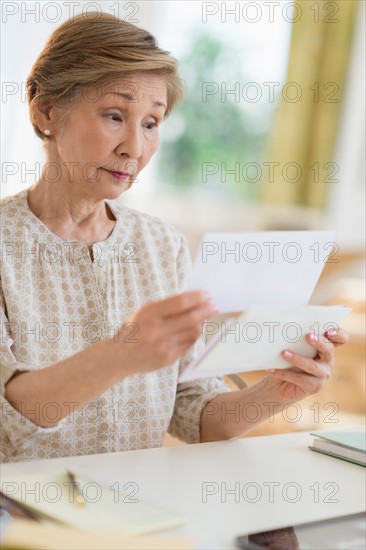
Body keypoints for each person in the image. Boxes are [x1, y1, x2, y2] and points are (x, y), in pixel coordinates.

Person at [0, 12, 348, 463]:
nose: (134, 148)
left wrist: (276, 391)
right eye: (113, 115)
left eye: (151, 123)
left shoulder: (162, 245)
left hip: (141, 518)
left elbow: (195, 415)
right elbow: (10, 415)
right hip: (26, 520)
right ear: (46, 111)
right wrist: (122, 354)